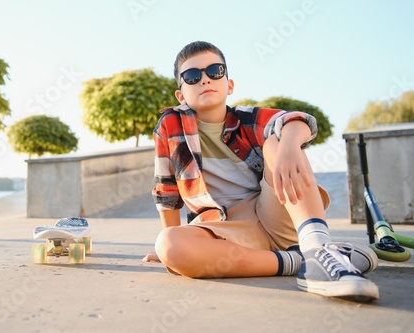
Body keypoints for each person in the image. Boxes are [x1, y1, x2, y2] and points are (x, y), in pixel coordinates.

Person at [144, 40, 379, 301]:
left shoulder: (245, 118)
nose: (204, 80)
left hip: (274, 213)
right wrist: (166, 242)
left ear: (229, 84)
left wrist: (289, 144)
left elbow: (296, 121)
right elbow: (166, 191)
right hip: (226, 230)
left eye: (215, 71)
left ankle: (317, 244)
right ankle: (303, 260)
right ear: (181, 95)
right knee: (169, 245)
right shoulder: (170, 125)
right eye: (191, 76)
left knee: (276, 139)